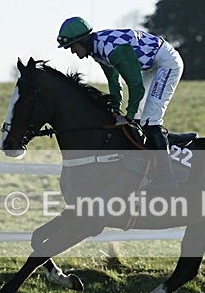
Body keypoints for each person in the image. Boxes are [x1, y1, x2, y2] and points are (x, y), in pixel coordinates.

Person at [57, 16, 183, 190]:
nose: (72, 51)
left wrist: (127, 116)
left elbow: (136, 86)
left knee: (150, 120)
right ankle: (146, 168)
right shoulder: (96, 50)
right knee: (139, 119)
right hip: (151, 65)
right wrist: (115, 111)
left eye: (72, 46)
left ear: (83, 40)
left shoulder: (112, 49)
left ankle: (167, 179)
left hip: (166, 63)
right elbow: (114, 82)